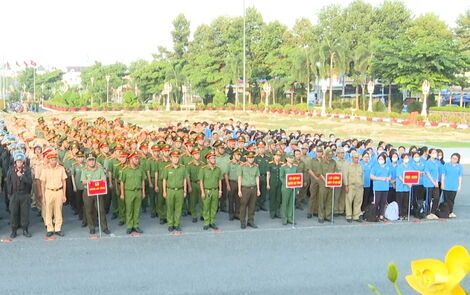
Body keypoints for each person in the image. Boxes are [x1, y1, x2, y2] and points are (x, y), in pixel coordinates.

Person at [80, 152, 111, 235]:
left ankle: (104, 228)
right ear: (87, 161)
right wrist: (87, 181)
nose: (91, 162)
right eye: (89, 160)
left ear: (95, 160)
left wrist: (104, 179)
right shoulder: (84, 170)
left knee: (101, 210)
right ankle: (92, 227)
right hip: (88, 192)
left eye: (93, 160)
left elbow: (103, 177)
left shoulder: (100, 169)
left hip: (98, 192)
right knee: (89, 210)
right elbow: (83, 181)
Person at [40, 150, 67, 237]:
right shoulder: (45, 169)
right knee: (48, 210)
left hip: (59, 191)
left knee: (58, 210)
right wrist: (43, 196)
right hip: (49, 191)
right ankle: (49, 228)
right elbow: (42, 183)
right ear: (48, 160)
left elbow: (64, 182)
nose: (53, 161)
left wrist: (64, 194)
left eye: (55, 159)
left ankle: (58, 228)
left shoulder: (61, 168)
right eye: (51, 159)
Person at [6, 152, 33, 238]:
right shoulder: (11, 170)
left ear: (23, 162)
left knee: (25, 213)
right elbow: (9, 183)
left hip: (24, 194)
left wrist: (22, 176)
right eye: (18, 161)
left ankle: (25, 229)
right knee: (14, 212)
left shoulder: (27, 170)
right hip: (14, 194)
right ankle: (14, 230)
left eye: (21, 161)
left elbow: (30, 182)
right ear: (15, 162)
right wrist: (9, 194)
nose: (19, 163)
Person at [120, 152, 146, 234]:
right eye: (135, 159)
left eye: (138, 159)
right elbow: (122, 182)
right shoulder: (125, 170)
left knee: (137, 210)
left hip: (138, 191)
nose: (137, 160)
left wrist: (143, 192)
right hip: (129, 192)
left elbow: (143, 181)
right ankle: (129, 226)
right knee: (129, 210)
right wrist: (122, 193)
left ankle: (136, 225)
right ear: (131, 159)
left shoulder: (140, 169)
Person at [162, 150, 187, 232]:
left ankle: (176, 224)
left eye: (177, 157)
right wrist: (164, 191)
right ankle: (170, 224)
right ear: (171, 158)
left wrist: (185, 191)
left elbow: (185, 180)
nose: (175, 159)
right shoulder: (167, 168)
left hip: (180, 190)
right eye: (174, 157)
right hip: (170, 190)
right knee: (169, 208)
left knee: (178, 208)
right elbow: (164, 180)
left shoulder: (183, 168)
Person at [198, 152, 223, 230]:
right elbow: (201, 181)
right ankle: (206, 222)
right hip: (207, 190)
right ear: (208, 160)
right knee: (206, 207)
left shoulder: (218, 169)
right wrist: (202, 191)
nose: (213, 159)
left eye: (214, 158)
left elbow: (219, 180)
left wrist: (220, 191)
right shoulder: (203, 169)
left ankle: (212, 222)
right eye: (211, 158)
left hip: (215, 190)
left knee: (214, 207)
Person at [237, 151, 260, 229]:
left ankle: (250, 221)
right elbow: (240, 177)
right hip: (245, 188)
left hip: (253, 188)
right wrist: (239, 190)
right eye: (249, 158)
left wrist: (258, 189)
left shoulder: (256, 166)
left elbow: (257, 177)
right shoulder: (242, 166)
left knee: (252, 206)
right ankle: (242, 221)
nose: (251, 159)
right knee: (243, 205)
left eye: (252, 158)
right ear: (246, 158)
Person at [441, 153, 464, 218]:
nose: (453, 159)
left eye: (455, 158)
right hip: (446, 185)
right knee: (446, 200)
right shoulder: (446, 165)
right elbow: (443, 175)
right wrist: (442, 184)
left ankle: (451, 212)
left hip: (454, 186)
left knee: (451, 200)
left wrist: (459, 186)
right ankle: (445, 212)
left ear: (458, 159)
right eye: (452, 158)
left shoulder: (459, 166)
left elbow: (460, 177)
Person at [318, 149, 338, 223]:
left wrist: (333, 181)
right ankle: (321, 216)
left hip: (331, 184)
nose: (330, 158)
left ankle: (328, 216)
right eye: (328, 156)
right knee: (322, 201)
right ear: (325, 156)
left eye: (331, 156)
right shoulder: (321, 162)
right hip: (323, 184)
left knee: (330, 201)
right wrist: (327, 181)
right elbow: (320, 174)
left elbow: (336, 171)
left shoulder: (333, 162)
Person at [370, 153, 391, 221]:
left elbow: (389, 175)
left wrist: (388, 178)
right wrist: (380, 179)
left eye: (382, 159)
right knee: (377, 201)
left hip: (385, 187)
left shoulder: (387, 167)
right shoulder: (375, 167)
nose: (381, 160)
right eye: (379, 159)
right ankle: (375, 214)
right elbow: (371, 176)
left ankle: (381, 215)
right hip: (377, 187)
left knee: (383, 202)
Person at [343, 151, 363, 223]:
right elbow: (345, 176)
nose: (356, 159)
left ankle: (356, 216)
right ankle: (348, 216)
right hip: (351, 186)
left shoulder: (360, 166)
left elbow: (362, 176)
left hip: (359, 187)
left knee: (358, 202)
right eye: (355, 158)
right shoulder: (348, 166)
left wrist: (362, 185)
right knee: (349, 201)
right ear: (352, 158)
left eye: (357, 158)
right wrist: (346, 185)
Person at [279, 152, 298, 225]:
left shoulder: (295, 167)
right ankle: (284, 218)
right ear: (286, 158)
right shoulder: (283, 167)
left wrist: (297, 188)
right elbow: (281, 177)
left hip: (293, 187)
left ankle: (290, 217)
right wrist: (288, 184)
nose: (292, 159)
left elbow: (298, 177)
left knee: (291, 203)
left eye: (293, 157)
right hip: (286, 187)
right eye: (290, 157)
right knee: (285, 202)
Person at [186, 148, 203, 223]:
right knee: (193, 200)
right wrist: (189, 186)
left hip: (201, 184)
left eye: (198, 154)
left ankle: (203, 214)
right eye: (195, 154)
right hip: (193, 183)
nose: (197, 155)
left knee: (202, 200)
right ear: (192, 155)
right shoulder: (189, 165)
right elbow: (187, 176)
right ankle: (194, 215)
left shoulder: (203, 164)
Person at [424, 149, 440, 220]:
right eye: (433, 153)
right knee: (428, 199)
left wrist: (436, 181)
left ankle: (433, 212)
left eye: (435, 153)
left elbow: (437, 173)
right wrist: (433, 182)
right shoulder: (428, 162)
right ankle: (427, 213)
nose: (435, 154)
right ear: (430, 154)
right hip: (429, 183)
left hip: (435, 183)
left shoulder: (437, 162)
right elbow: (428, 173)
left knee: (436, 198)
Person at [307, 146, 323, 218]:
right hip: (314, 180)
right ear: (316, 153)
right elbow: (309, 170)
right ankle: (310, 211)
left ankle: (316, 211)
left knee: (319, 196)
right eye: (318, 152)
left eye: (320, 152)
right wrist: (315, 177)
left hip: (322, 180)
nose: (319, 153)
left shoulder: (324, 160)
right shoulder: (312, 160)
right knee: (312, 196)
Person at [266, 151, 283, 219]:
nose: (278, 157)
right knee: (272, 198)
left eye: (279, 156)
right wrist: (267, 184)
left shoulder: (282, 164)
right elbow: (268, 174)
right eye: (276, 155)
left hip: (280, 183)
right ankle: (272, 212)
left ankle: (277, 212)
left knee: (278, 198)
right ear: (273, 156)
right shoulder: (270, 164)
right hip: (272, 183)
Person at [227, 148, 242, 221]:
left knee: (238, 199)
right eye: (237, 155)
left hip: (239, 183)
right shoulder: (229, 163)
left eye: (239, 155)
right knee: (231, 199)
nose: (239, 156)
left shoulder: (241, 164)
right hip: (231, 182)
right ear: (234, 155)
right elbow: (226, 174)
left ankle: (237, 213)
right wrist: (227, 184)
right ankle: (231, 214)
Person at [396, 153, 413, 220]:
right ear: (402, 159)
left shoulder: (410, 166)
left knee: (406, 202)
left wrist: (411, 183)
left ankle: (405, 214)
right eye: (405, 158)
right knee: (400, 202)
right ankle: (400, 214)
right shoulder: (399, 167)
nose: (406, 159)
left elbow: (412, 175)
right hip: (400, 187)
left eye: (407, 158)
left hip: (407, 188)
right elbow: (400, 177)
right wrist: (407, 183)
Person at [334, 147, 347, 216]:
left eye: (343, 153)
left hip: (345, 180)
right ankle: (335, 210)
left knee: (343, 196)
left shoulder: (346, 161)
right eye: (341, 153)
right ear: (337, 154)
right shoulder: (335, 161)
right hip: (337, 181)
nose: (342, 154)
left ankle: (341, 210)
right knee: (336, 196)